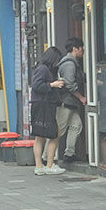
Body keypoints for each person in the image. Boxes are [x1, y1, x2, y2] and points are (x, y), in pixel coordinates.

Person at [29, 46, 67, 175]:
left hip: (40, 104)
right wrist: (53, 84)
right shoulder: (43, 69)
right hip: (43, 105)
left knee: (40, 136)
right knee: (53, 134)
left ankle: (39, 166)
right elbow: (36, 85)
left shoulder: (45, 69)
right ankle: (49, 165)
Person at [56, 37, 87, 166]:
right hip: (65, 102)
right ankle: (46, 158)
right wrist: (81, 97)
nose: (83, 50)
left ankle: (69, 154)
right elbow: (70, 84)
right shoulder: (69, 64)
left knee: (76, 125)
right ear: (75, 49)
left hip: (70, 103)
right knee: (59, 131)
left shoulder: (72, 63)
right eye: (81, 48)